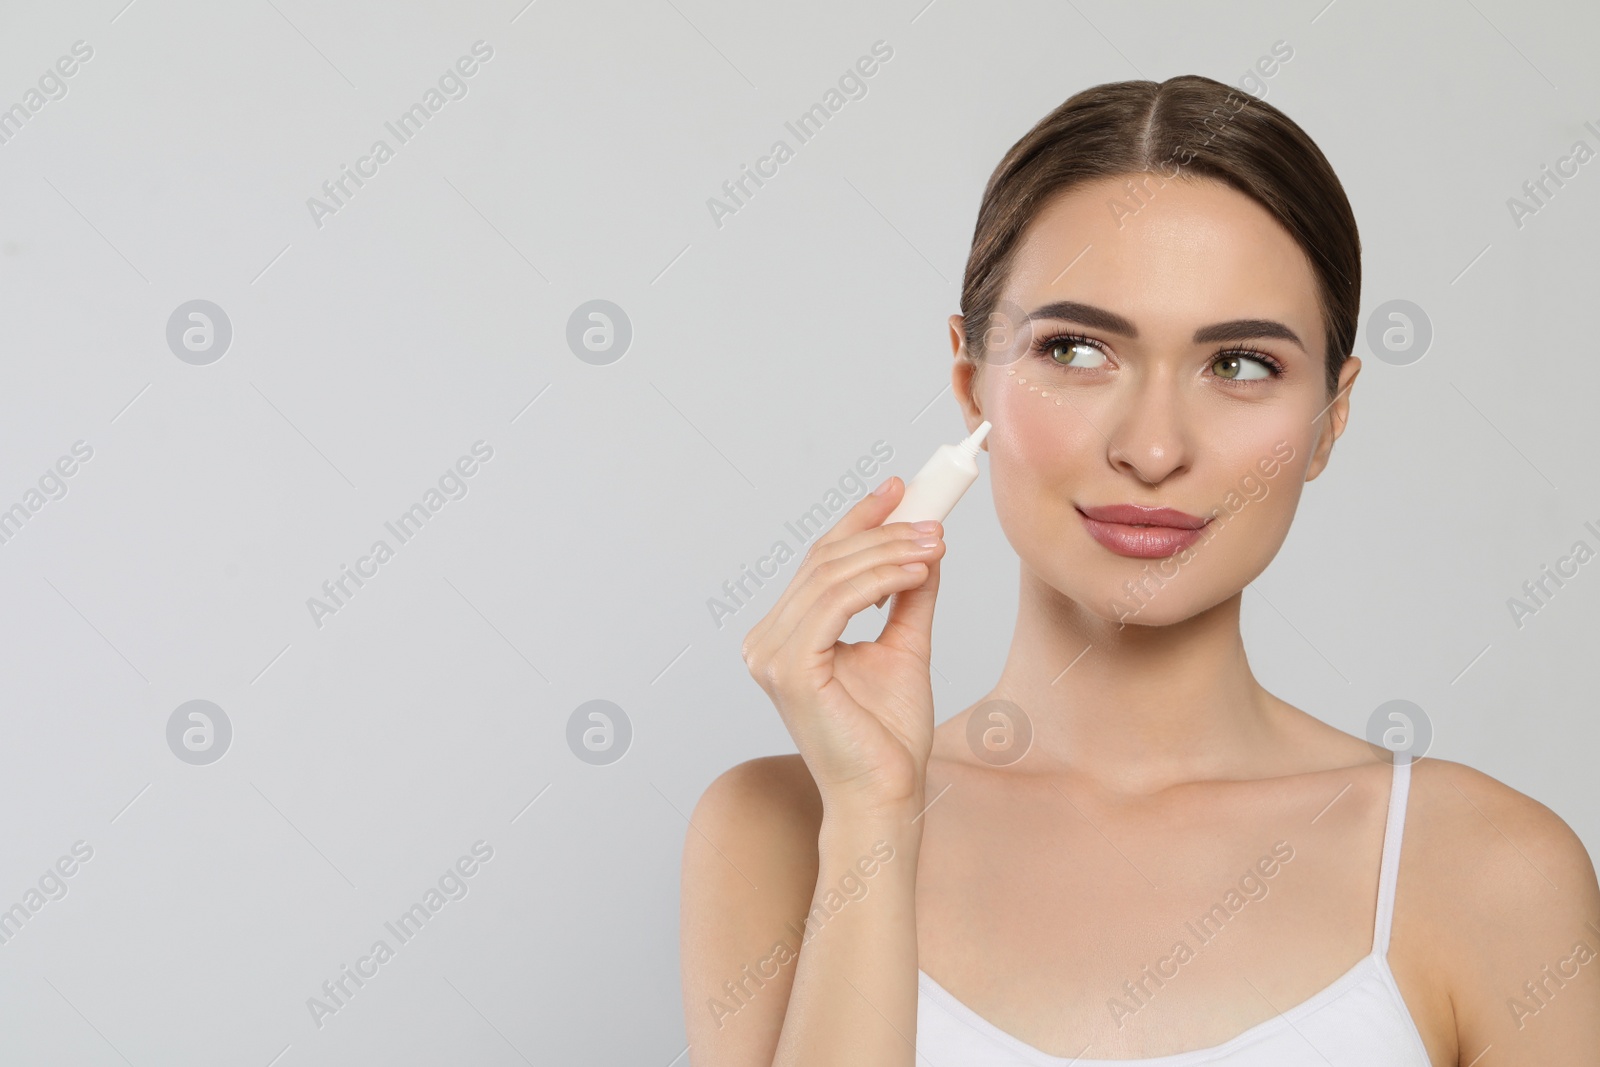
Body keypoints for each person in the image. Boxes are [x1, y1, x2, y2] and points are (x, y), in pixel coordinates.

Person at [679, 75, 1600, 1066]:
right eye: (1076, 349)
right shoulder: (781, 826)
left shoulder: (1487, 868)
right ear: (969, 383)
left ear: (1331, 417)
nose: (1153, 448)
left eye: (1241, 364)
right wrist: (872, 817)